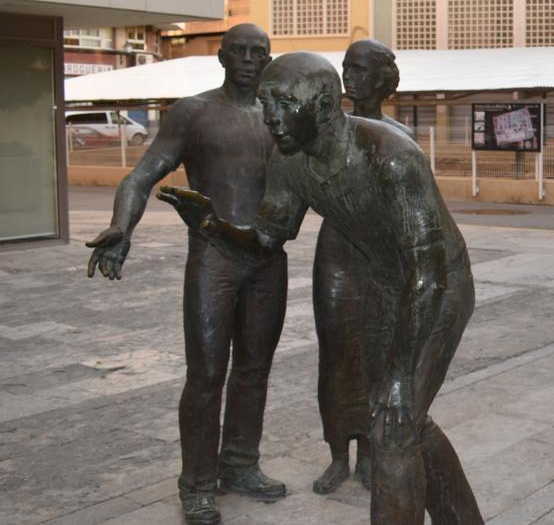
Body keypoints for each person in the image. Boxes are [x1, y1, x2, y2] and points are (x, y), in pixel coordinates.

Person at [157, 52, 481, 525]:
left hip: (438, 286)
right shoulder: (290, 161)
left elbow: (428, 276)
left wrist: (398, 372)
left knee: (392, 427)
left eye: (285, 104)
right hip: (388, 288)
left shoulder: (390, 156)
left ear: (327, 104)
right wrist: (211, 223)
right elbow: (265, 242)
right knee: (403, 420)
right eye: (267, 103)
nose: (271, 117)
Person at [85, 24, 287, 525]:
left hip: (266, 257)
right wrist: (121, 226)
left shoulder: (280, 116)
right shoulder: (194, 112)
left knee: (254, 372)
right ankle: (197, 484)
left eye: (257, 52)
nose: (247, 59)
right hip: (213, 257)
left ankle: (240, 464)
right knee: (206, 375)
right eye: (238, 51)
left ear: (268, 59)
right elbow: (142, 174)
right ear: (220, 57)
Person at [311, 39, 414, 495]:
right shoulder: (327, 132)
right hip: (336, 256)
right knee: (335, 358)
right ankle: (338, 454)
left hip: (383, 260)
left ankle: (372, 454)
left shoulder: (399, 136)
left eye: (359, 68)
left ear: (382, 79)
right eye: (345, 67)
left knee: (379, 359)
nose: (348, 76)